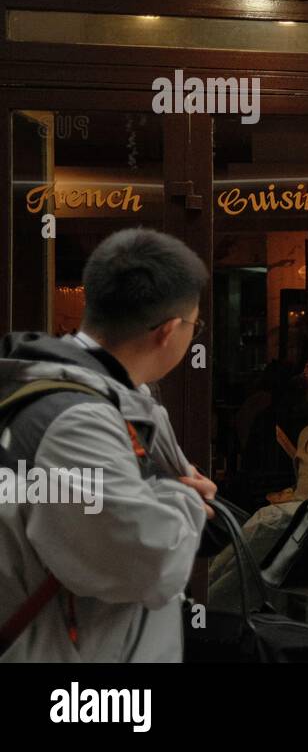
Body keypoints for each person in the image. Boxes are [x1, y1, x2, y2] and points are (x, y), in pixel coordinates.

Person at [0, 228, 214, 662]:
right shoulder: (75, 419)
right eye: (196, 325)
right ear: (169, 330)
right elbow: (149, 562)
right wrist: (182, 499)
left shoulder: (58, 388)